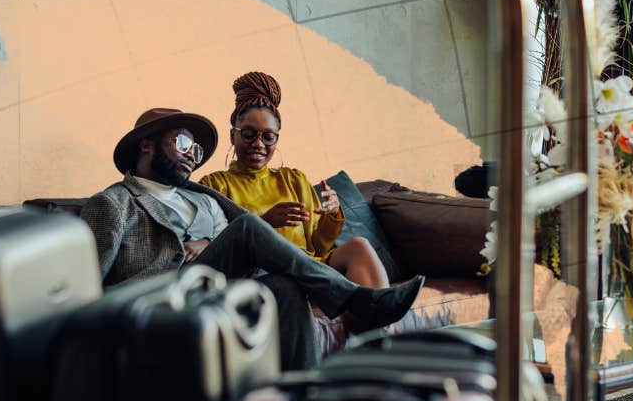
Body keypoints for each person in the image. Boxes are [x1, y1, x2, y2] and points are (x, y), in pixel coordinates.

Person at [80, 107, 423, 346]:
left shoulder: (204, 199)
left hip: (221, 287)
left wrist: (208, 243)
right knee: (246, 228)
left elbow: (231, 246)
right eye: (184, 143)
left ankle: (298, 400)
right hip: (159, 299)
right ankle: (353, 299)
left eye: (196, 149)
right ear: (146, 144)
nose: (192, 156)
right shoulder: (112, 203)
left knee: (285, 287)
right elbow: (86, 290)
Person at [200, 72, 391, 289]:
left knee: (359, 246)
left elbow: (319, 248)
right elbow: (218, 251)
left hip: (309, 267)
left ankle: (379, 314)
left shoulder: (293, 179)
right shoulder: (214, 185)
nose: (259, 144)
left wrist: (331, 215)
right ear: (232, 135)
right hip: (262, 272)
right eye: (248, 134)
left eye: (268, 136)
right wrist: (265, 222)